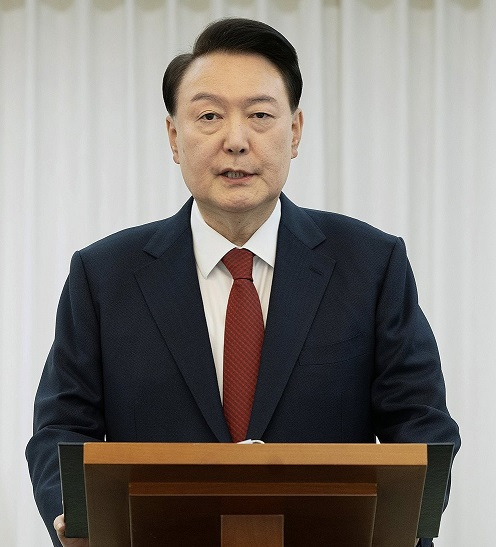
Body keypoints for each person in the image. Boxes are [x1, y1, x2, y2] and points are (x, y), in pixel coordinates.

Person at [26, 18, 460, 547]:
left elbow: (420, 424)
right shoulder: (104, 275)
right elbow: (61, 428)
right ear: (174, 137)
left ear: (294, 131)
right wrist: (72, 513)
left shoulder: (371, 265)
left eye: (259, 115)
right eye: (209, 116)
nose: (236, 140)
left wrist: (406, 522)